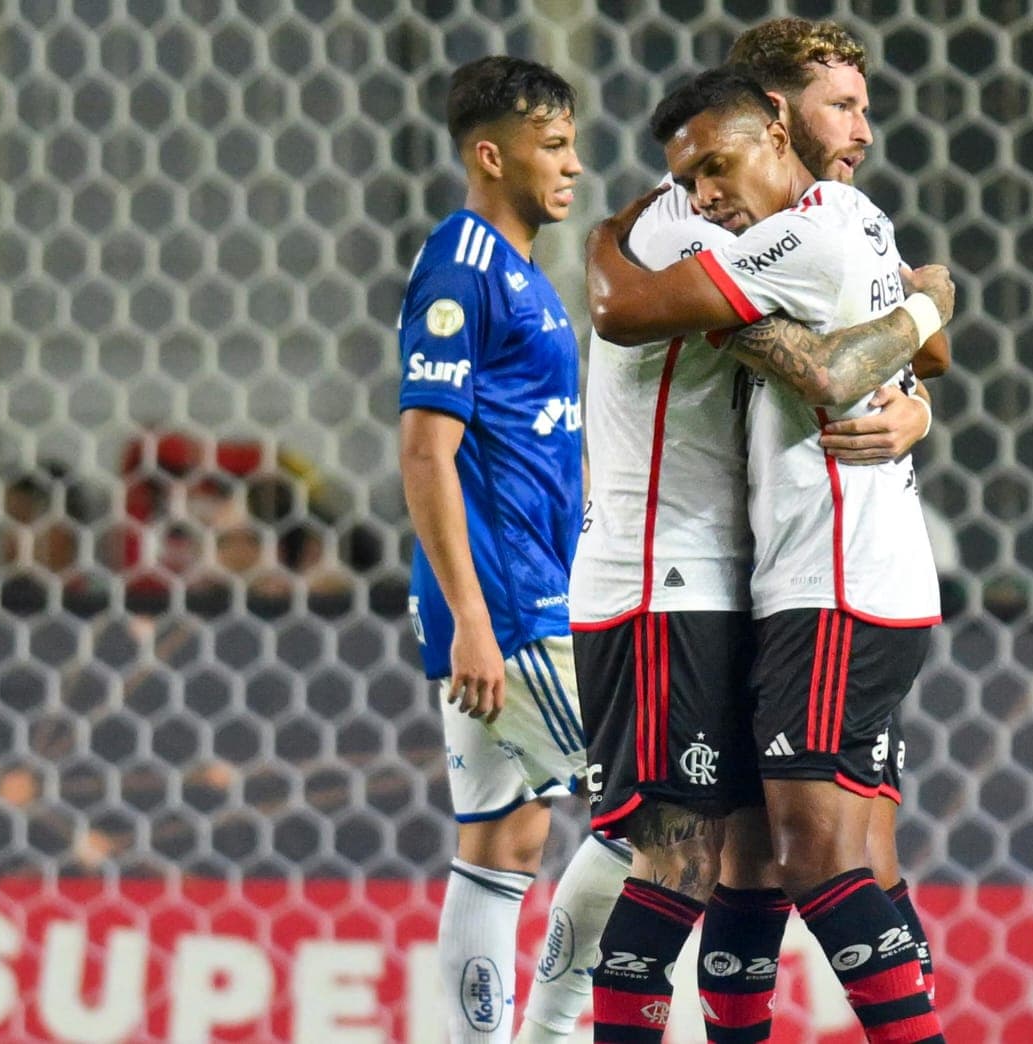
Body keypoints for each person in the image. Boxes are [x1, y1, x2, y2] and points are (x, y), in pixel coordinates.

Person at [585, 70, 947, 1044]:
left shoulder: (810, 229)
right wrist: (929, 311)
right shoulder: (784, 224)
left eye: (863, 105)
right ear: (784, 113)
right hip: (711, 587)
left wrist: (916, 353)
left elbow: (833, 369)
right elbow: (622, 305)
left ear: (767, 126)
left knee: (783, 861)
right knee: (752, 859)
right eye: (844, 107)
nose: (860, 131)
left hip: (819, 587)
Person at [396, 55, 628, 1044]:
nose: (573, 165)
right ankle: (554, 1028)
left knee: (503, 840)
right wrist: (475, 627)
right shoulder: (463, 272)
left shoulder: (519, 273)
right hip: (514, 606)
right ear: (491, 156)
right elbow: (424, 449)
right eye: (552, 146)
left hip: (525, 598)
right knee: (660, 813)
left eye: (572, 142)